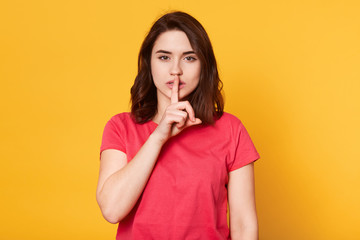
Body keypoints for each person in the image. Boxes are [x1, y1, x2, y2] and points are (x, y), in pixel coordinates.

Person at [96, 11, 260, 240]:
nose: (176, 70)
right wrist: (159, 136)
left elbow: (244, 226)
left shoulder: (231, 129)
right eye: (164, 57)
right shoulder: (120, 127)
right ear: (148, 63)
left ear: (204, 65)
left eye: (189, 58)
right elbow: (112, 210)